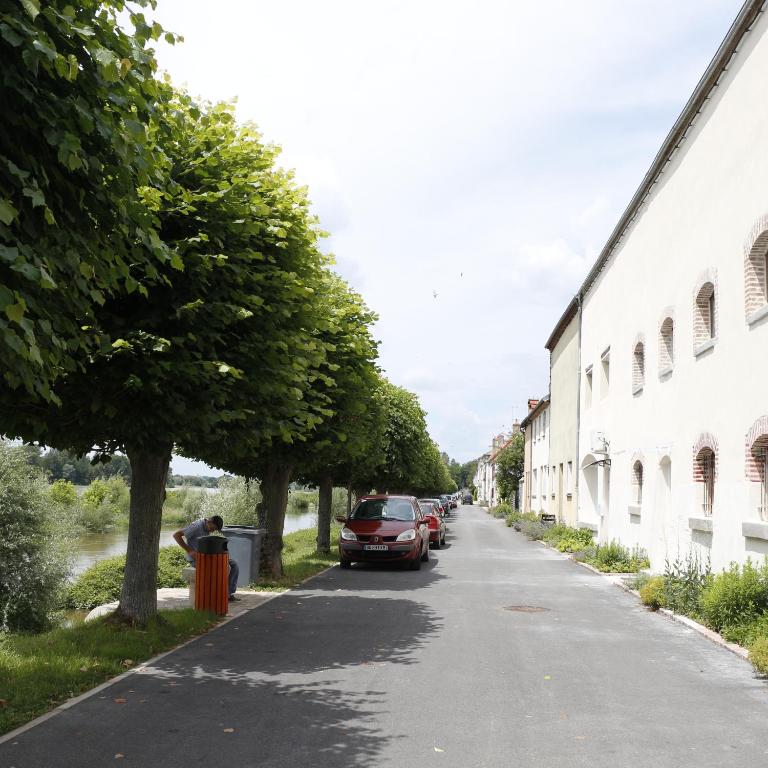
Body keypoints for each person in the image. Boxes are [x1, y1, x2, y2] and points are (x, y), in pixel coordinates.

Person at [173, 515, 240, 601]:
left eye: (215, 530)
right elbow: (176, 535)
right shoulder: (196, 527)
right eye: (213, 528)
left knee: (234, 564)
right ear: (210, 521)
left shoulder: (207, 527)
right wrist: (190, 551)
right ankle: (218, 595)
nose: (213, 531)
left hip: (208, 557)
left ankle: (228, 594)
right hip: (197, 560)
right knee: (226, 567)